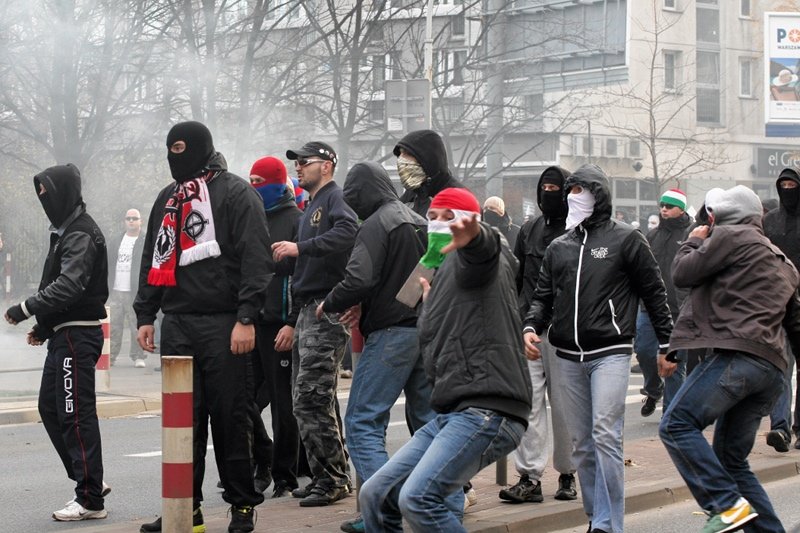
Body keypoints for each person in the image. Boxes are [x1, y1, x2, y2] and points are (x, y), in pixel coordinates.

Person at [359, 187, 532, 532]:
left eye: (449, 217)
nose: (439, 223)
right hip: (453, 412)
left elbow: (486, 250)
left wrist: (475, 234)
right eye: (433, 217)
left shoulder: (481, 258)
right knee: (375, 493)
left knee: (419, 498)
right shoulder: (435, 272)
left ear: (470, 222)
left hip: (489, 409)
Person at [135, 121, 272, 533]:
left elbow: (256, 259)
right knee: (182, 423)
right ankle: (184, 507)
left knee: (231, 417)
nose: (172, 155)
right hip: (177, 323)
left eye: (179, 147)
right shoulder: (169, 198)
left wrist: (246, 317)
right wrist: (146, 313)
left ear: (198, 147)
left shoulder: (235, 192)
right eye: (168, 148)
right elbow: (153, 256)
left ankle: (242, 506)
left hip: (225, 323)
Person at [523, 164, 672, 533]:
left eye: (579, 190)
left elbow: (654, 292)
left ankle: (610, 525)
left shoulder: (626, 239)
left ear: (598, 194)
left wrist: (667, 343)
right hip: (567, 356)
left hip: (611, 351)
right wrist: (531, 326)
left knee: (605, 434)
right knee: (582, 444)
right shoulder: (560, 247)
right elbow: (542, 297)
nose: (572, 197)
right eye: (569, 191)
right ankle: (597, 517)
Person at [659, 185, 800, 533]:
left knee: (676, 424)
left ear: (717, 216)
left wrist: (693, 240)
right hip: (773, 371)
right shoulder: (782, 261)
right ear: (758, 216)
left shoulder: (730, 238)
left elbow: (683, 274)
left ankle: (725, 505)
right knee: (731, 460)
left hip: (738, 358)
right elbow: (795, 324)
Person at [316, 161, 434, 533]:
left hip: (390, 334)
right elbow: (425, 276)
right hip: (425, 330)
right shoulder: (418, 219)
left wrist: (331, 301)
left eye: (353, 196)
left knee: (362, 421)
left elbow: (359, 278)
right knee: (429, 422)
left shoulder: (375, 224)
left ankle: (384, 510)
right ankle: (438, 501)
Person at [4, 163, 110, 521]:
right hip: (66, 334)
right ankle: (89, 479)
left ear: (63, 193)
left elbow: (70, 285)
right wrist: (47, 327)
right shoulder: (67, 230)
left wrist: (25, 309)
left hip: (79, 337)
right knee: (51, 407)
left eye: (47, 194)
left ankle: (90, 498)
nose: (43, 203)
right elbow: (69, 290)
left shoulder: (79, 233)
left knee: (75, 414)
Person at [272, 141, 358, 507]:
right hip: (308, 309)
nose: (298, 168)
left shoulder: (335, 198)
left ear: (326, 166)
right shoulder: (310, 208)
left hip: (326, 308)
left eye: (304, 162)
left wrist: (300, 248)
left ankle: (334, 478)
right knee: (306, 399)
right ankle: (329, 474)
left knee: (311, 397)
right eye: (296, 163)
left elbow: (348, 232)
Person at [501, 166, 577, 504]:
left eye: (555, 187)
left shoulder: (578, 231)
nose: (548, 192)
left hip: (564, 333)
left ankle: (568, 472)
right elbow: (516, 277)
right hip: (530, 331)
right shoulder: (529, 229)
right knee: (529, 406)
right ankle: (529, 477)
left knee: (564, 408)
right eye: (544, 186)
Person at [249, 156, 304, 498]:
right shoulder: (250, 218)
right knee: (243, 401)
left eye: (260, 181)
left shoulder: (297, 221)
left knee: (285, 405)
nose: (255, 187)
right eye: (250, 181)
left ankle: (286, 474)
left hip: (280, 325)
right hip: (250, 324)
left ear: (277, 183)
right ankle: (259, 461)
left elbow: (303, 276)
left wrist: (292, 322)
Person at [636, 189, 692, 417]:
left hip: (681, 308)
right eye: (662, 206)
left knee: (674, 360)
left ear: (681, 209)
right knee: (643, 350)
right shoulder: (651, 236)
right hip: (650, 306)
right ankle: (653, 388)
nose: (664, 210)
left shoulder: (692, 233)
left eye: (669, 206)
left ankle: (671, 413)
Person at [763, 168, 800, 452]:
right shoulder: (769, 221)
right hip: (777, 304)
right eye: (783, 184)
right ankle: (780, 427)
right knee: (780, 367)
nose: (788, 189)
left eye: (793, 184)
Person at [394, 129, 464, 217]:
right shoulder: (412, 194)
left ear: (427, 159)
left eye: (408, 153)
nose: (401, 159)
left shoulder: (458, 199)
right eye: (400, 154)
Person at [108, 208, 146, 367]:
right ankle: (110, 356)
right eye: (128, 218)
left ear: (140, 221)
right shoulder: (117, 240)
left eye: (134, 218)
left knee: (136, 325)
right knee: (114, 326)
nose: (131, 221)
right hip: (116, 290)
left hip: (134, 291)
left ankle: (138, 356)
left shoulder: (144, 240)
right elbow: (109, 262)